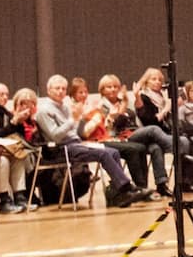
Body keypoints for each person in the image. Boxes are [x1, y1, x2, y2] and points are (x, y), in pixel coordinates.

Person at [35, 74, 143, 207]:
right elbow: (55, 135)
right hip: (60, 148)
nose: (60, 91)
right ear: (48, 90)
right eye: (57, 88)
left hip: (76, 143)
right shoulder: (44, 111)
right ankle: (125, 188)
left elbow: (74, 131)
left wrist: (80, 135)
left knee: (113, 152)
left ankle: (117, 194)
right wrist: (73, 120)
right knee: (103, 154)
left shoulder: (65, 107)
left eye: (63, 88)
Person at [0, 88, 39, 212]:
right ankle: (5, 200)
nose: (5, 97)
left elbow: (20, 137)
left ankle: (20, 197)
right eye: (1, 94)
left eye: (7, 94)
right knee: (3, 161)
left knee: (19, 157)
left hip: (13, 149)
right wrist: (15, 121)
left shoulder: (9, 114)